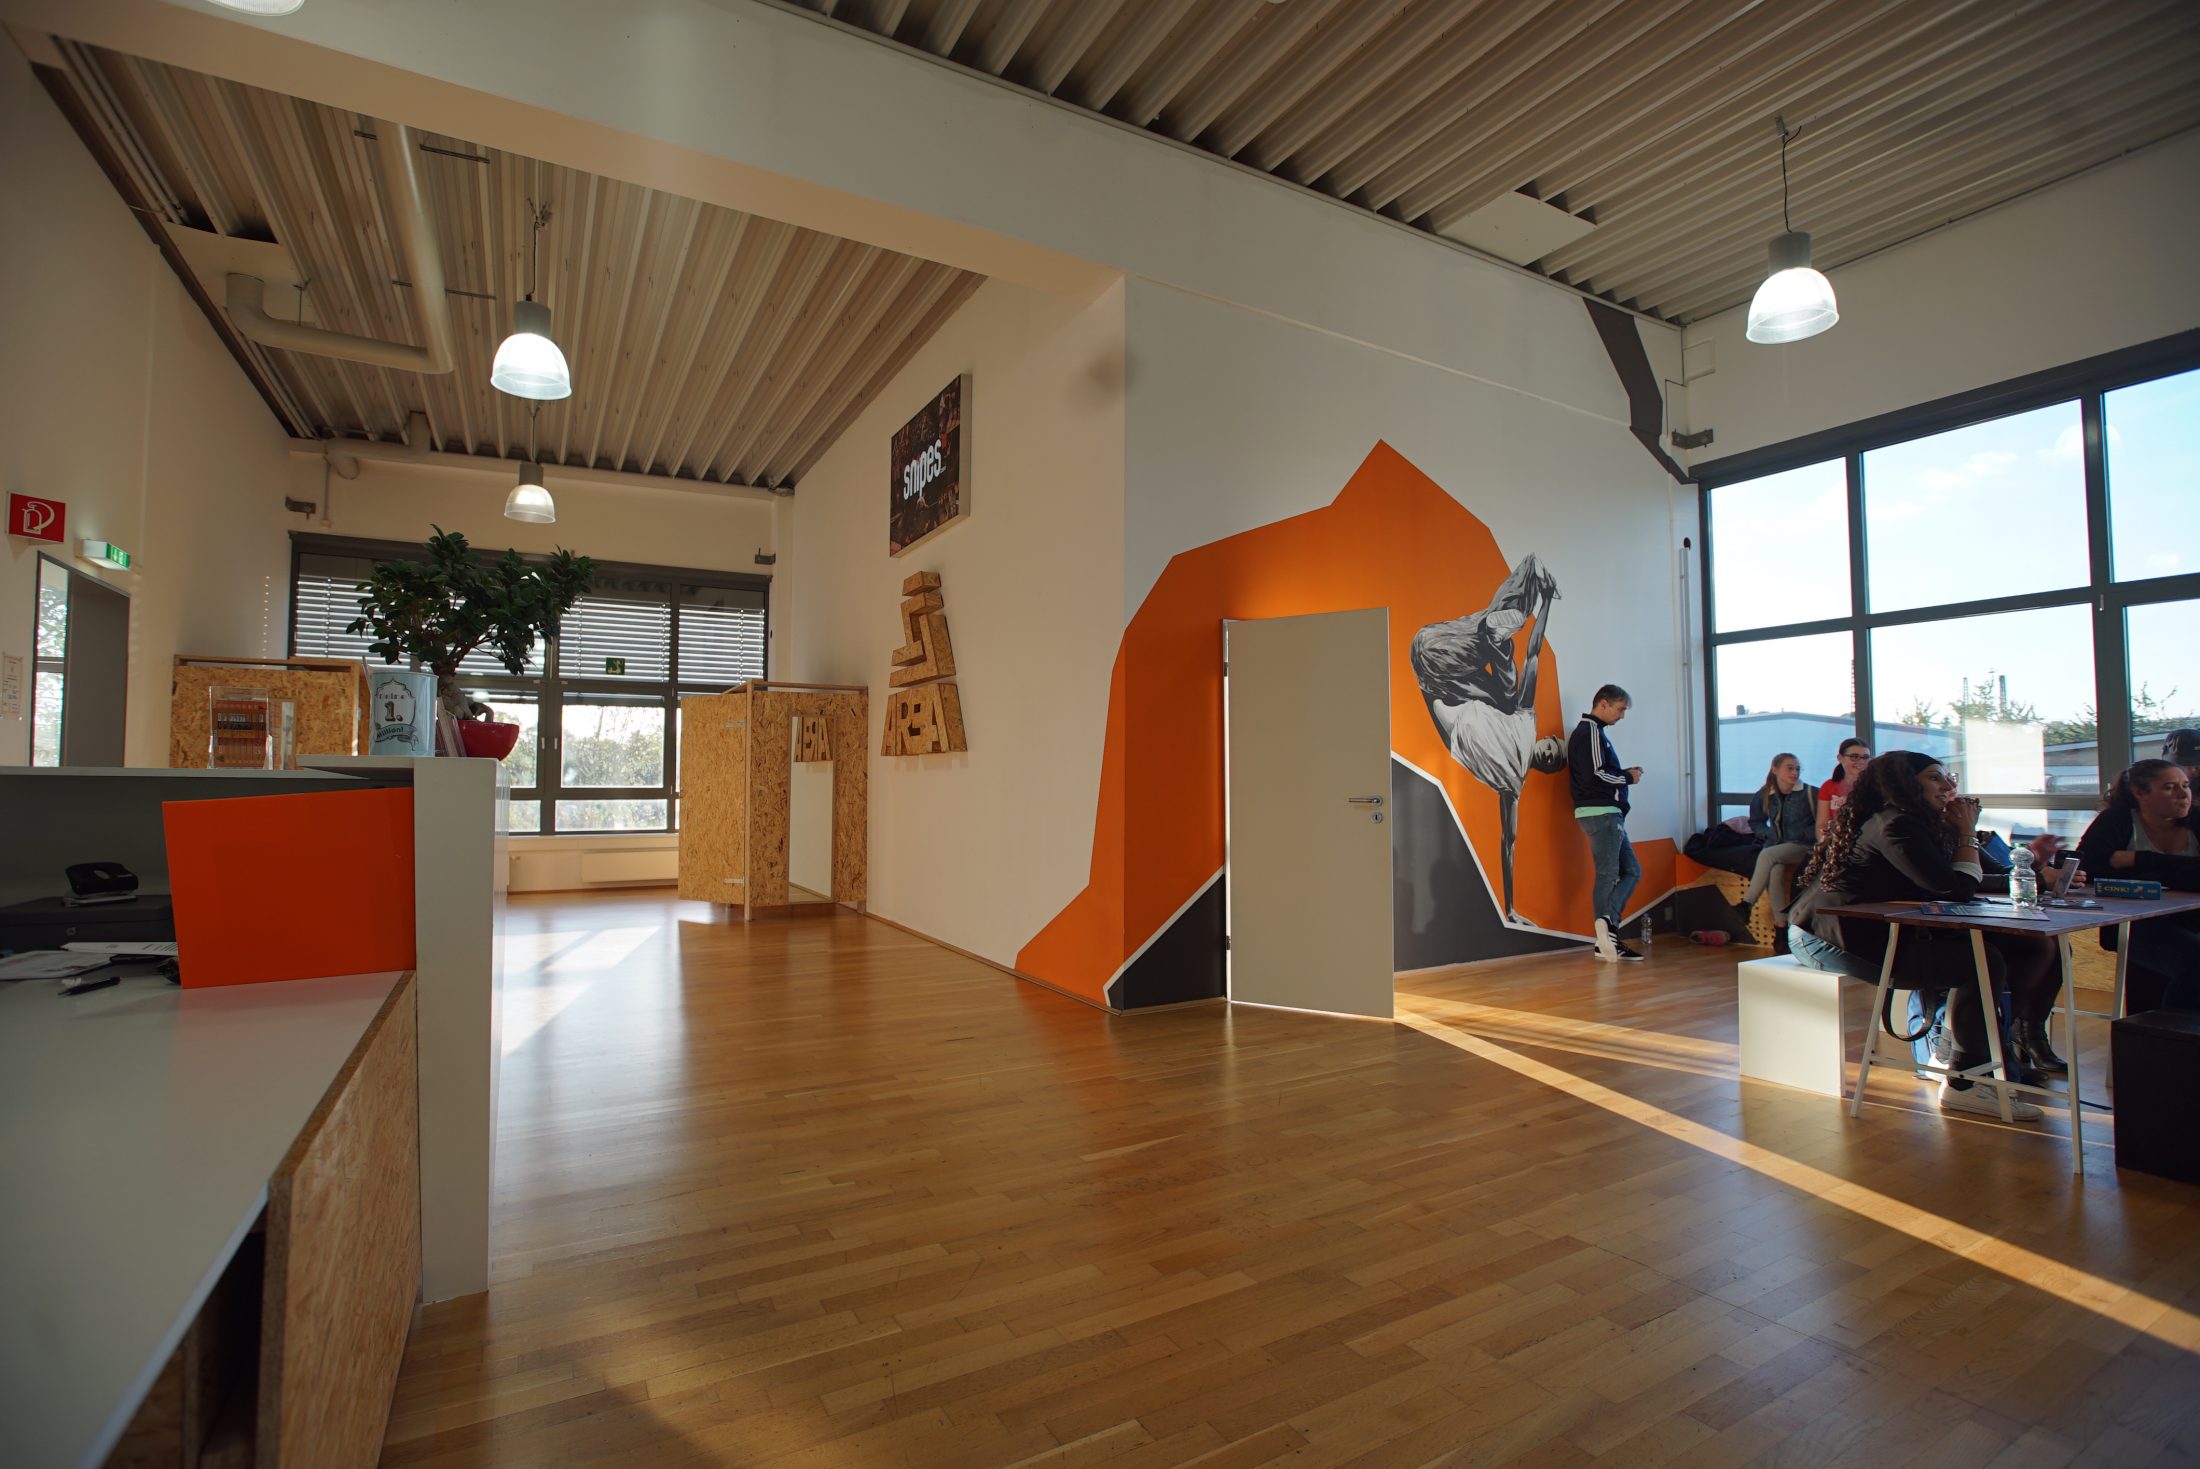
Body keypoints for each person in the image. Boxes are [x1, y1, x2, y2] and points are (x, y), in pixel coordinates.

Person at [1789, 751, 2065, 1120]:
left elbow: (1972, 878)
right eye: (1935, 777)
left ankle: (1974, 1051)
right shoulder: (1894, 824)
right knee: (1981, 961)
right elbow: (1955, 888)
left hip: (1878, 930)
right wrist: (1966, 833)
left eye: (1948, 777)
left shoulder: (1925, 822)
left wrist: (2033, 872)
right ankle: (1965, 1082)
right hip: (1826, 938)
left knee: (2029, 945)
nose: (1948, 785)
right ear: (1904, 784)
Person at [1411, 555, 1561, 924]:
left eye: (1552, 754)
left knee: (1507, 689)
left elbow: (1509, 844)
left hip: (1440, 677)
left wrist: (1509, 910)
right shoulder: (1523, 734)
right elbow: (1534, 653)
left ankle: (1499, 633)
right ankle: (1506, 621)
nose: (1550, 748)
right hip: (1450, 662)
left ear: (1546, 763)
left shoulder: (1514, 777)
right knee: (1507, 690)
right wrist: (1546, 603)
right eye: (1553, 745)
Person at [2075, 758, 2200, 1013]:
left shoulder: (2196, 820)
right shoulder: (2116, 821)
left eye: (2186, 786)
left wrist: (2139, 860)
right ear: (2140, 793)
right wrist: (2180, 871)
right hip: (2133, 924)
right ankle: (2169, 1034)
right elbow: (2090, 872)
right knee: (2195, 960)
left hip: (2192, 919)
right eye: (2169, 787)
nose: (2183, 794)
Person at [1569, 684, 1643, 962]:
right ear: (1603, 703)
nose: (1622, 715)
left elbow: (1597, 772)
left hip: (1606, 813)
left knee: (1632, 870)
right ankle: (1606, 927)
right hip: (1602, 813)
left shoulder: (1595, 733)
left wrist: (1623, 774)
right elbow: (1596, 774)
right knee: (1608, 874)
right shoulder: (1589, 731)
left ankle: (1607, 936)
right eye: (1620, 709)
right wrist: (1627, 777)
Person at [1736, 753, 1814, 935]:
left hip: (1804, 845)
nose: (1795, 772)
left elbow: (1820, 823)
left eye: (1797, 769)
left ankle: (1746, 904)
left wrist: (1800, 833)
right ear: (1775, 769)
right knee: (1775, 871)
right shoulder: (1765, 794)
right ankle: (1781, 929)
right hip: (1778, 846)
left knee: (1767, 855)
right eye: (1790, 768)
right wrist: (1768, 833)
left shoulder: (1809, 792)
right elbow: (1756, 822)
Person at [1816, 738, 1871, 833]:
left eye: (1865, 757)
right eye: (1854, 757)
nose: (1861, 761)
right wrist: (1826, 841)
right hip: (1838, 839)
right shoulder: (1828, 786)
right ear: (1840, 758)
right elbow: (1822, 825)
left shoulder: (1876, 786)